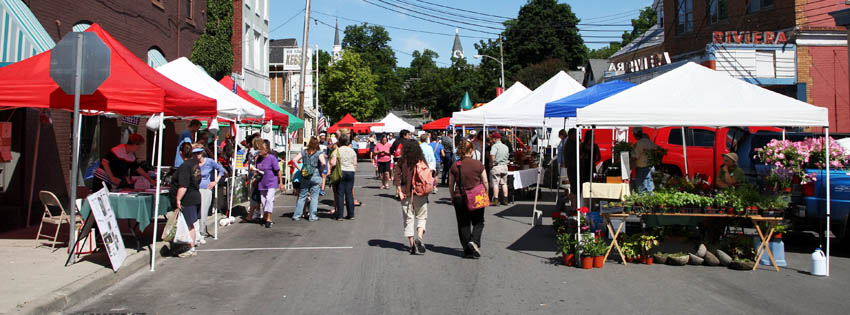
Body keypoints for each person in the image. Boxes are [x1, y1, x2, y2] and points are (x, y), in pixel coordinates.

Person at [449, 140, 488, 259]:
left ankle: (467, 250)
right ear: (471, 150)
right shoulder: (478, 164)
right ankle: (474, 241)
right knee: (479, 221)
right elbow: (485, 181)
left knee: (463, 223)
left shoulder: (455, 165)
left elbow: (451, 185)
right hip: (476, 195)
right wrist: (487, 193)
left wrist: (452, 197)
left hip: (459, 196)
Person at [393, 139, 429, 255]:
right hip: (420, 192)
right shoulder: (421, 160)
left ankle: (412, 244)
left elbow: (397, 176)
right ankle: (419, 237)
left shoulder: (402, 161)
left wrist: (399, 191)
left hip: (405, 192)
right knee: (421, 217)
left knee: (409, 219)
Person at [172, 143, 203, 257]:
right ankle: (189, 246)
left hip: (188, 197)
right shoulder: (195, 163)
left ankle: (191, 247)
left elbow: (183, 185)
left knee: (189, 224)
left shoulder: (185, 166)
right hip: (195, 195)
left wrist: (178, 199)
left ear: (181, 153)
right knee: (190, 223)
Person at [196, 143, 226, 242]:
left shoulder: (209, 162)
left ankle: (202, 232)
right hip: (194, 189)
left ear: (202, 153)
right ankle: (196, 232)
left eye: (199, 153)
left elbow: (221, 170)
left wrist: (215, 181)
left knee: (203, 211)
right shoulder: (193, 163)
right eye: (195, 153)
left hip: (205, 189)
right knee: (195, 212)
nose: (197, 155)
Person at [291, 137, 326, 221]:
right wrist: (321, 170)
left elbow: (294, 160)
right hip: (316, 175)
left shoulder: (304, 152)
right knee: (314, 197)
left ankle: (297, 215)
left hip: (305, 175)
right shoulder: (318, 153)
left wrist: (300, 169)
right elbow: (323, 162)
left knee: (302, 196)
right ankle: (312, 216)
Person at [330, 134, 358, 220]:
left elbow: (333, 163)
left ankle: (340, 215)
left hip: (341, 172)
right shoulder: (352, 151)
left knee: (340, 193)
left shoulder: (337, 151)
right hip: (350, 171)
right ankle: (351, 214)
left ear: (339, 142)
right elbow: (355, 163)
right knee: (349, 193)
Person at [256, 141, 284, 228]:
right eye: (259, 149)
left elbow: (278, 170)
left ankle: (268, 218)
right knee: (263, 201)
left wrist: (281, 183)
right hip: (262, 182)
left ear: (266, 150)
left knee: (269, 199)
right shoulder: (258, 159)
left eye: (261, 149)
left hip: (271, 181)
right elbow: (257, 169)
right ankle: (265, 216)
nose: (260, 151)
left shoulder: (272, 158)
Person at [631, 128, 658, 193]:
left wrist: (630, 168)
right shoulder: (649, 142)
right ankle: (651, 201)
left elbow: (634, 157)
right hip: (650, 167)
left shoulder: (638, 144)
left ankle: (643, 202)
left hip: (642, 168)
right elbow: (659, 150)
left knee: (642, 188)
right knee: (649, 187)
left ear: (634, 135)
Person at [489, 133, 510, 206]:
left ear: (495, 138)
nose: (491, 140)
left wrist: (492, 163)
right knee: (504, 183)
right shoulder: (505, 147)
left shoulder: (494, 146)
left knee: (495, 184)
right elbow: (507, 156)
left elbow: (492, 155)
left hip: (497, 166)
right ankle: (505, 199)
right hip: (504, 166)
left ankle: (496, 200)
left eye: (492, 138)